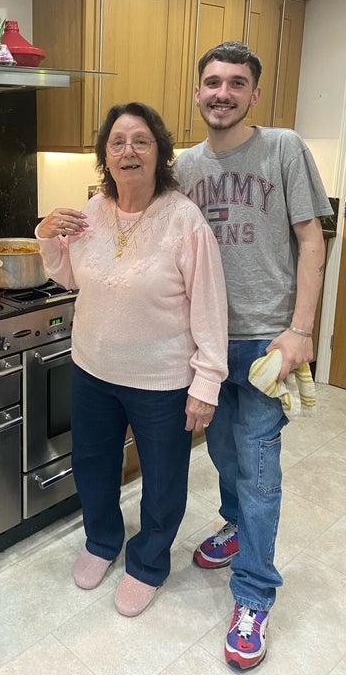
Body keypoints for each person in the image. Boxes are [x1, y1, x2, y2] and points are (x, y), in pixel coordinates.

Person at [35, 101, 228, 618]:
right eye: (117, 142)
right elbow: (69, 276)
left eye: (141, 141)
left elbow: (210, 307)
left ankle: (148, 563)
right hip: (92, 370)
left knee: (163, 481)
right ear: (105, 155)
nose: (129, 151)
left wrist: (206, 382)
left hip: (161, 379)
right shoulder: (94, 210)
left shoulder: (183, 220)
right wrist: (47, 235)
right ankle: (102, 541)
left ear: (160, 151)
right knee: (92, 465)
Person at [174, 41, 333, 670]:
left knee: (260, 467)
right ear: (197, 91)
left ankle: (254, 596)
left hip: (268, 341)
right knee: (222, 452)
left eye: (236, 83)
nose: (223, 93)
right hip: (208, 343)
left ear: (254, 94)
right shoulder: (184, 167)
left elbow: (312, 240)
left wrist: (301, 330)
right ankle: (236, 525)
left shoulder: (284, 149)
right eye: (213, 82)